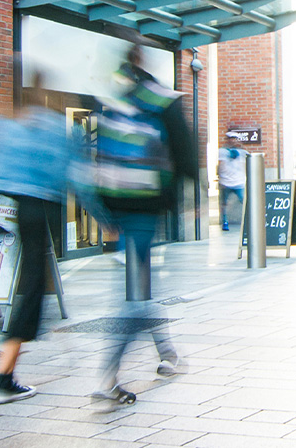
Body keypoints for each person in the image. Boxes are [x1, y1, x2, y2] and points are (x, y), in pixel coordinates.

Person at [92, 44, 197, 405]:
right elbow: (185, 154)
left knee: (141, 283)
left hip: (118, 207)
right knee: (135, 295)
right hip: (145, 208)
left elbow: (101, 156)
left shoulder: (117, 101)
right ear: (146, 62)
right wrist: (184, 199)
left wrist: (105, 212)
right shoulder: (162, 100)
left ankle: (168, 354)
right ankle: (108, 378)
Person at [0, 73, 75, 404]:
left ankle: (7, 375)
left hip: (20, 211)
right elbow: (71, 173)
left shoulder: (13, 126)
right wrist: (102, 215)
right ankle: (4, 379)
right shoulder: (52, 127)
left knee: (33, 288)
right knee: (32, 291)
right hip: (39, 211)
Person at [216, 132, 247, 232]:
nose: (232, 141)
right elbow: (219, 165)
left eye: (234, 139)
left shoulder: (242, 152)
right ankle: (224, 221)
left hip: (239, 181)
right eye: (230, 138)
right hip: (225, 182)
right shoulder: (222, 151)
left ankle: (249, 219)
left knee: (244, 201)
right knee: (224, 203)